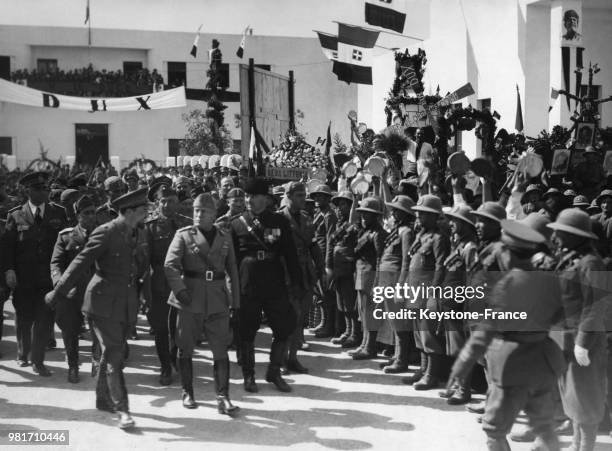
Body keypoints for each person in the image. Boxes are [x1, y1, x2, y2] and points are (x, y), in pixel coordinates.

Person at [449, 218, 566, 451]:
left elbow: (484, 335)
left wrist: (461, 367)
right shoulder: (550, 280)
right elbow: (560, 315)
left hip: (512, 365)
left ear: (510, 254)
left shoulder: (508, 285)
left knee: (494, 429)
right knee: (544, 425)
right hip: (543, 361)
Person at [45, 188, 150, 430]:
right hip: (101, 303)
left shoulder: (138, 231)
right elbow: (78, 264)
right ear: (130, 211)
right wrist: (58, 292)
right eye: (143, 209)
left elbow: (140, 268)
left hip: (125, 302)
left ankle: (103, 398)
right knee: (114, 355)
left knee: (111, 352)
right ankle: (122, 409)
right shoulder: (106, 232)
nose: (147, 212)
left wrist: (144, 295)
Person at [164, 193, 240, 415]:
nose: (198, 214)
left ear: (214, 214)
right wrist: (180, 291)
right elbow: (170, 266)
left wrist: (235, 301)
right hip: (190, 298)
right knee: (185, 347)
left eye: (204, 211)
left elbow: (232, 270)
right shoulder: (184, 235)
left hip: (217, 299)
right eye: (196, 210)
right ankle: (187, 392)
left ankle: (223, 397)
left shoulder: (224, 236)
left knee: (220, 350)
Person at [229, 178, 301, 393]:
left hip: (273, 281)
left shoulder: (278, 222)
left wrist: (296, 282)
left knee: (283, 327)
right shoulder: (236, 223)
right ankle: (249, 375)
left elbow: (290, 253)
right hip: (247, 283)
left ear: (266, 199)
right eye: (247, 196)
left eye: (254, 196)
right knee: (247, 331)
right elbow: (231, 260)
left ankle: (274, 371)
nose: (249, 200)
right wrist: (231, 288)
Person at [548, 209, 609, 451]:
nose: (557, 236)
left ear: (578, 236)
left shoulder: (591, 263)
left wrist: (583, 342)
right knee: (571, 392)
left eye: (563, 232)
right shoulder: (571, 258)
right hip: (564, 336)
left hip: (584, 339)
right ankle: (575, 443)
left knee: (586, 394)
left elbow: (596, 306)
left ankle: (587, 446)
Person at [1, 171, 68, 375]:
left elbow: (65, 245)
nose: (43, 192)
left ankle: (38, 361)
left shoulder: (58, 213)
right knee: (23, 317)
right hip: (23, 278)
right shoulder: (15, 215)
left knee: (44, 318)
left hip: (48, 278)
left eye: (45, 188)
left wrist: (62, 273)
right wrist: (9, 270)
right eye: (38, 189)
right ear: (27, 191)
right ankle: (23, 354)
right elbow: (7, 247)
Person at [143, 179, 187, 386]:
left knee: (179, 328)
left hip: (183, 285)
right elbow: (144, 262)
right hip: (159, 286)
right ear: (157, 204)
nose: (167, 205)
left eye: (171, 200)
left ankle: (173, 357)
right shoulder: (149, 228)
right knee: (161, 329)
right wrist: (144, 292)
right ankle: (165, 366)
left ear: (178, 202)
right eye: (163, 202)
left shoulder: (186, 225)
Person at [49, 195, 97, 383]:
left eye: (93, 212)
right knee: (69, 330)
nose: (91, 216)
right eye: (86, 213)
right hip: (72, 293)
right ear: (78, 216)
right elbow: (56, 264)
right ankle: (73, 365)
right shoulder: (66, 236)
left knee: (98, 329)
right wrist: (61, 287)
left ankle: (97, 362)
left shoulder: (104, 234)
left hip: (96, 292)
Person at [404, 194, 450, 389]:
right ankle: (423, 369)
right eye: (419, 214)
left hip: (427, 292)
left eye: (424, 214)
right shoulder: (421, 236)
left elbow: (441, 267)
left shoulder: (439, 238)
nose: (419, 217)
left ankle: (432, 374)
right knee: (418, 333)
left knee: (428, 334)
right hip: (415, 290)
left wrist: (433, 294)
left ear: (434, 216)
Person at [440, 204, 478, 404]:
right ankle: (456, 384)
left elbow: (472, 279)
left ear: (465, 224)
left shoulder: (470, 247)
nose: (451, 224)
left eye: (455, 221)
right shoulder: (458, 245)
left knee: (461, 348)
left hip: (460, 305)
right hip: (449, 303)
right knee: (453, 348)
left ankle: (464, 390)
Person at [378, 195, 415, 373]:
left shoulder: (406, 231)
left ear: (405, 213)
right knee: (394, 321)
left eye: (397, 210)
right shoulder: (397, 230)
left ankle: (402, 359)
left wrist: (401, 286)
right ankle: (397, 355)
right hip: (387, 280)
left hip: (395, 282)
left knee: (400, 323)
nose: (393, 212)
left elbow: (406, 262)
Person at [350, 196, 387, 360]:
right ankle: (364, 344)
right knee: (363, 313)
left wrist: (378, 282)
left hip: (370, 276)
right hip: (361, 275)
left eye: (368, 214)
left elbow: (380, 259)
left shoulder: (378, 234)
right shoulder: (365, 231)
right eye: (362, 213)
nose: (364, 217)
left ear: (376, 216)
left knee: (370, 314)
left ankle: (370, 346)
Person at [326, 190, 361, 348]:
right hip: (339, 268)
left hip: (349, 269)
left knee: (350, 303)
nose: (340, 208)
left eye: (344, 205)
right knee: (342, 303)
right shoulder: (339, 224)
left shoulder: (355, 224)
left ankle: (355, 334)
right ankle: (347, 331)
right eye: (338, 205)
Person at [310, 184, 338, 339]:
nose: (317, 198)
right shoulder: (319, 213)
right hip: (315, 258)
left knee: (326, 294)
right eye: (316, 196)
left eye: (321, 196)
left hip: (323, 258)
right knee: (319, 293)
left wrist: (328, 265)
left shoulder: (329, 216)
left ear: (328, 199)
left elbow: (329, 240)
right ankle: (324, 321)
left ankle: (329, 326)